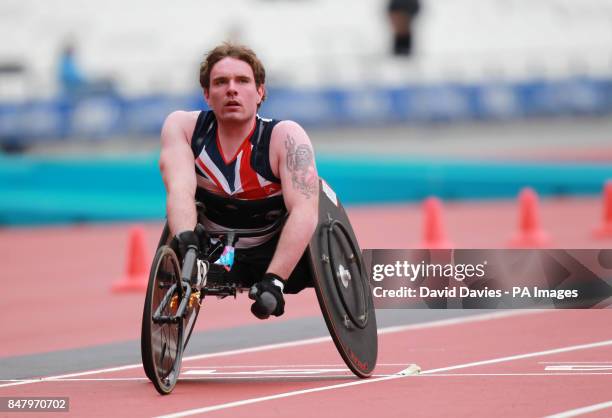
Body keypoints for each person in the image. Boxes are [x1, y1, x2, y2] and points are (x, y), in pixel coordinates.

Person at [159, 43, 319, 319]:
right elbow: (180, 191)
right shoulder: (183, 128)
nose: (231, 89)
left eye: (242, 81)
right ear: (207, 96)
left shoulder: (285, 136)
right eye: (221, 82)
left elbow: (304, 211)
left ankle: (415, 280)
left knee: (378, 273)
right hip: (215, 251)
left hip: (278, 253)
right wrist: (187, 242)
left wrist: (275, 279)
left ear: (260, 92)